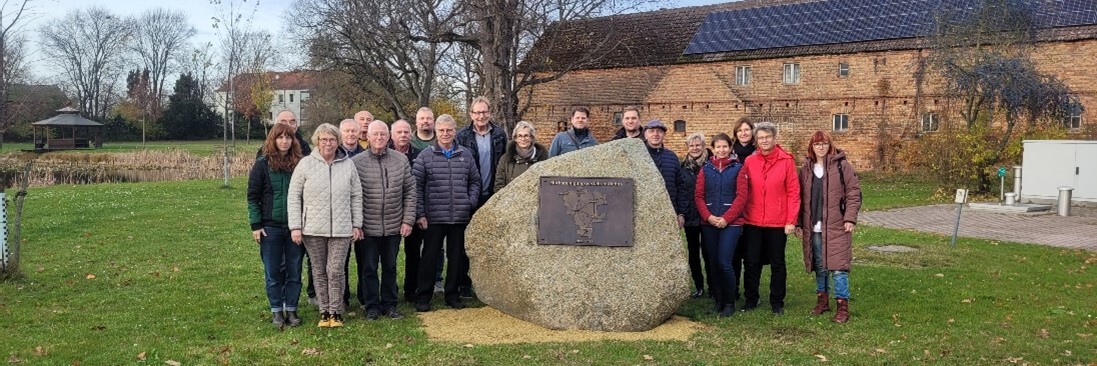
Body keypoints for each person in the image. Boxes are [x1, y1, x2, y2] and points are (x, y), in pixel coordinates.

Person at [288, 123, 363, 327]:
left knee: (336, 270)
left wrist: (357, 224)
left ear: (337, 142)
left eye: (331, 139)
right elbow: (294, 196)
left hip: (341, 229)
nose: (328, 143)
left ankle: (336, 311)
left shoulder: (348, 165)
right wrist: (295, 226)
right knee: (319, 271)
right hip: (313, 229)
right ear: (317, 141)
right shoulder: (305, 164)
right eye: (323, 139)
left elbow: (356, 195)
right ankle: (324, 311)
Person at [412, 114, 481, 312]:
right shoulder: (426, 156)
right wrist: (420, 214)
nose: (445, 134)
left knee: (456, 258)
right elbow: (416, 186)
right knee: (429, 257)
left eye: (449, 130)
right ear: (436, 131)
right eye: (441, 130)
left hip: (459, 215)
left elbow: (475, 181)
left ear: (454, 131)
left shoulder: (465, 154)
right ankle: (423, 296)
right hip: (434, 216)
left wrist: (470, 202)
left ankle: (452, 294)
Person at [352, 121, 417, 321]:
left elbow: (410, 191)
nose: (379, 138)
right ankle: (371, 305)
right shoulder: (357, 162)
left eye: (382, 134)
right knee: (369, 268)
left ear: (389, 136)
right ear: (368, 137)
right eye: (375, 134)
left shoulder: (400, 160)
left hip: (393, 224)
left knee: (390, 267)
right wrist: (356, 224)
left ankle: (390, 304)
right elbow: (352, 195)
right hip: (368, 227)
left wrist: (407, 220)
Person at [735, 122, 800, 315]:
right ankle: (751, 298)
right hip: (752, 220)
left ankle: (777, 301)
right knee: (752, 261)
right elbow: (743, 190)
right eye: (761, 138)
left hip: (777, 221)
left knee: (777, 262)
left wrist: (791, 220)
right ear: (756, 140)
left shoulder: (786, 160)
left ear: (774, 138)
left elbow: (793, 192)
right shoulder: (750, 162)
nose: (764, 140)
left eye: (768, 137)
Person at [796, 131, 861, 323]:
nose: (821, 147)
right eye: (817, 144)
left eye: (824, 143)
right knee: (820, 266)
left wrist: (850, 218)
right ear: (812, 147)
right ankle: (822, 301)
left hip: (836, 225)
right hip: (813, 227)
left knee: (839, 268)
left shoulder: (842, 166)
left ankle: (842, 307)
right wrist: (799, 222)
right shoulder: (806, 170)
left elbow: (853, 192)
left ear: (829, 145)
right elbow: (799, 198)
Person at [247, 123, 305, 328]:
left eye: (288, 137)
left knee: (294, 270)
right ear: (273, 140)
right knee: (273, 271)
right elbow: (253, 197)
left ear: (293, 140)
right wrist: (256, 225)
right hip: (270, 227)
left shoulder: (300, 163)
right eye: (280, 137)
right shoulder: (262, 164)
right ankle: (276, 311)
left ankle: (291, 308)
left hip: (295, 227)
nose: (284, 141)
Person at [693, 133, 747, 317]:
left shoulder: (739, 169)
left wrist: (726, 218)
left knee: (725, 262)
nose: (722, 150)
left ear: (730, 148)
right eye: (718, 147)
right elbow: (699, 196)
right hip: (709, 223)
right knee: (713, 263)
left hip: (730, 224)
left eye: (725, 147)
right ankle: (718, 300)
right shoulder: (706, 169)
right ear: (713, 149)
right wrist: (708, 217)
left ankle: (729, 302)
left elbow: (742, 197)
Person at [390, 119, 425, 302]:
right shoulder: (384, 153)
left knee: (413, 253)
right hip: (390, 211)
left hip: (412, 210)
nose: (403, 135)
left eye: (406, 132)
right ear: (392, 135)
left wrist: (418, 213)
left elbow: (420, 186)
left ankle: (411, 290)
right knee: (390, 255)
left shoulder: (420, 155)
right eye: (399, 132)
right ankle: (390, 290)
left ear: (411, 134)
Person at [680, 132, 713, 299]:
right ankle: (699, 285)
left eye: (698, 145)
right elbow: (682, 192)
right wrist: (682, 212)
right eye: (691, 145)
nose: (694, 148)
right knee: (693, 253)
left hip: (708, 215)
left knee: (709, 252)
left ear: (703, 146)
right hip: (690, 216)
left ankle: (713, 285)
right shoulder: (683, 167)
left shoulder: (711, 164)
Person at [643, 120, 689, 228]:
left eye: (659, 131)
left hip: (669, 211)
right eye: (652, 131)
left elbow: (680, 186)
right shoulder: (639, 156)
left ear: (664, 135)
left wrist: (681, 213)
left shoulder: (672, 157)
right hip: (644, 212)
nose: (655, 134)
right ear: (645, 134)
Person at [730, 117, 756, 303]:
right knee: (733, 254)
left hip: (753, 208)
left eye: (747, 130)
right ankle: (733, 289)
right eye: (740, 130)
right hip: (733, 208)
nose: (743, 133)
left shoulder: (757, 153)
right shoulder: (730, 154)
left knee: (751, 256)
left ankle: (751, 292)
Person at [494, 121, 548, 192]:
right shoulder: (505, 159)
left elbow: (547, 185)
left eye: (526, 135)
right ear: (515, 138)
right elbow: (499, 186)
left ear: (532, 137)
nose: (523, 139)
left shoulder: (543, 159)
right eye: (520, 136)